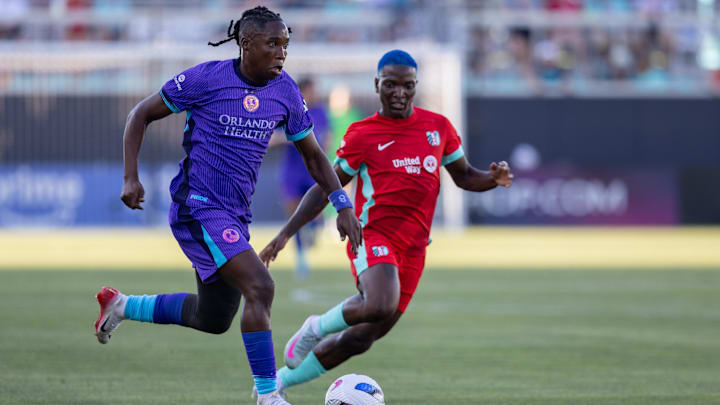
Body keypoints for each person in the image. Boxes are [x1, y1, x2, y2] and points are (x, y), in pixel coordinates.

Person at [92, 7, 362, 405]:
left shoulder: (285, 91)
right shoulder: (206, 78)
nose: (281, 53)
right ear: (246, 43)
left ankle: (121, 305)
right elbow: (141, 114)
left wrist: (342, 203)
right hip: (197, 205)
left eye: (285, 45)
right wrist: (131, 177)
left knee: (214, 317)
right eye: (273, 44)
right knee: (261, 285)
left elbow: (314, 156)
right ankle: (269, 396)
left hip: (234, 213)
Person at [259, 49, 513, 396]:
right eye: (390, 84)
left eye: (407, 85)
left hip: (414, 249)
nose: (399, 93)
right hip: (373, 236)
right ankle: (315, 327)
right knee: (379, 303)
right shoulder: (364, 134)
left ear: (416, 86)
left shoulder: (438, 129)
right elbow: (326, 188)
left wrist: (492, 178)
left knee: (364, 336)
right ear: (377, 84)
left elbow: (465, 176)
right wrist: (286, 233)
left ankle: (276, 385)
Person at [276, 77, 331, 279]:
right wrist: (294, 138)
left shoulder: (321, 113)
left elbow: (325, 140)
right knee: (294, 215)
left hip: (313, 170)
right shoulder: (288, 111)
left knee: (315, 212)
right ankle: (301, 259)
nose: (315, 94)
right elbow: (272, 138)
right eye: (311, 90)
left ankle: (315, 229)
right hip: (291, 172)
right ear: (302, 92)